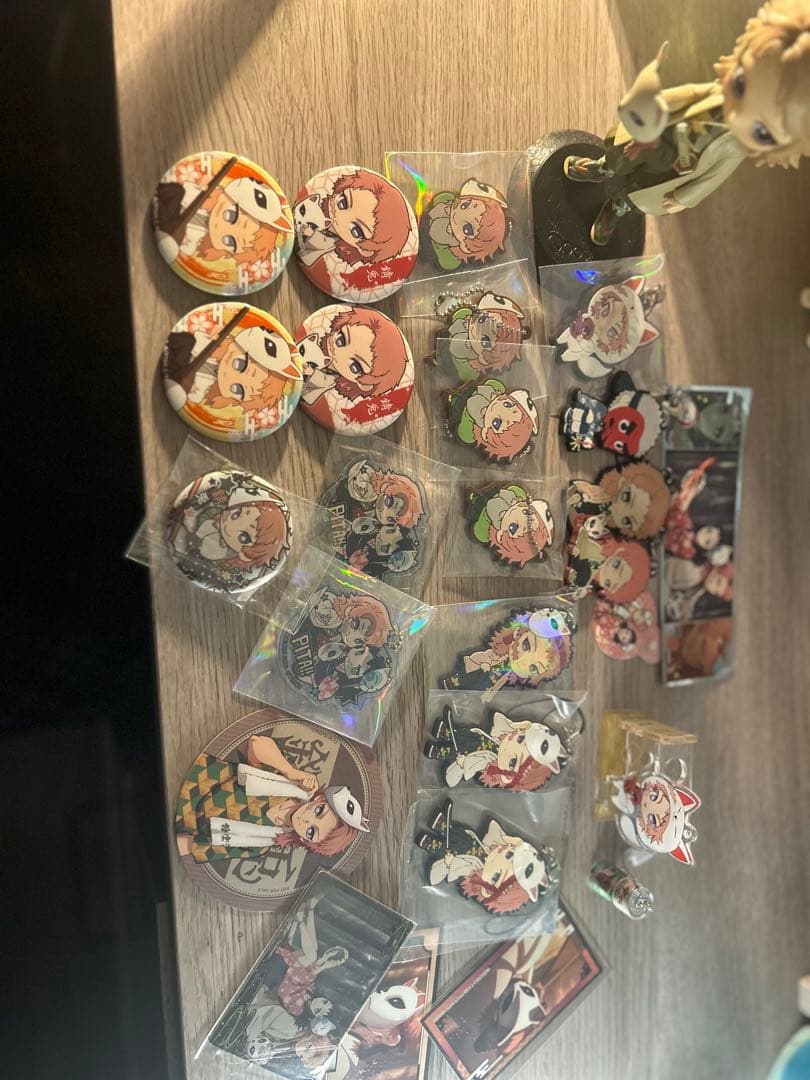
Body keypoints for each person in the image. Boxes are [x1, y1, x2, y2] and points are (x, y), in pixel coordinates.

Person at [563, 2, 810, 244]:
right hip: (660, 135)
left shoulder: (735, 149)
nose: (739, 116)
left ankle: (617, 207)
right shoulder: (714, 93)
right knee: (621, 156)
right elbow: (685, 94)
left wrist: (685, 198)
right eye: (741, 84)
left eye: (762, 132)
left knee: (640, 188)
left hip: (675, 169)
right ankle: (601, 168)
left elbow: (713, 178)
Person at [175, 734, 369, 862]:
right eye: (319, 812)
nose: (307, 819)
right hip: (190, 767)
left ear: (305, 840)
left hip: (177, 816)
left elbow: (196, 846)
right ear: (319, 800)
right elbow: (255, 744)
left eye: (311, 831)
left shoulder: (259, 843)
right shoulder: (288, 783)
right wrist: (290, 771)